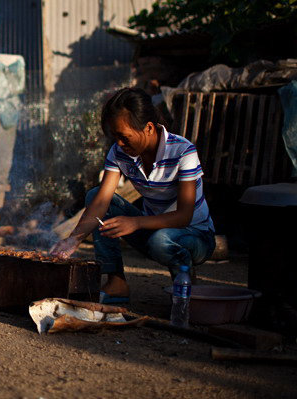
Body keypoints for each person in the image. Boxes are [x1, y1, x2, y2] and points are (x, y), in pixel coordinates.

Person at [49, 87, 215, 304]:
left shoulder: (183, 151)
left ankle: (185, 285)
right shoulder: (119, 152)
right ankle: (116, 283)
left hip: (195, 237)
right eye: (115, 137)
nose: (119, 143)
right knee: (94, 195)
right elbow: (101, 202)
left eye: (124, 137)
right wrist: (74, 239)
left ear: (148, 128)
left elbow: (184, 216)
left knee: (161, 240)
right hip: (153, 231)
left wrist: (135, 222)